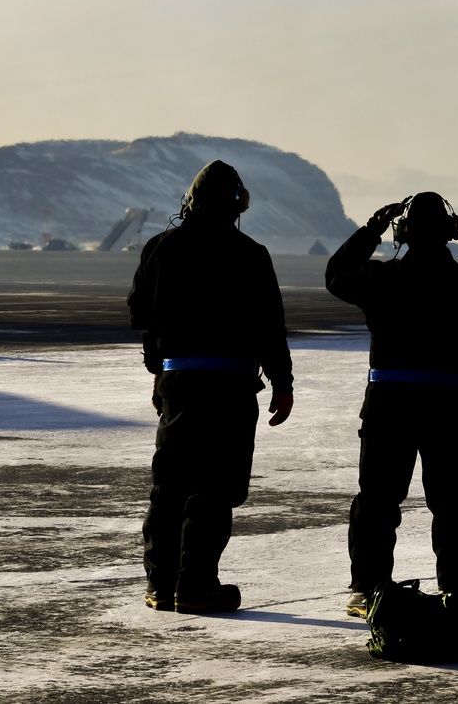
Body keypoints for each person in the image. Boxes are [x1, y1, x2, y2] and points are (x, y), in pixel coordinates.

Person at [326, 192, 458, 618]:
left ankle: (368, 588)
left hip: (389, 407)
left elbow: (335, 275)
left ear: (402, 233)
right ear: (451, 232)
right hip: (450, 409)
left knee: (376, 502)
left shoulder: (380, 279)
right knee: (452, 503)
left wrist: (371, 228)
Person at [127, 160, 294, 614]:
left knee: (170, 487)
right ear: (237, 202)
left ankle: (161, 585)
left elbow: (142, 314)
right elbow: (269, 328)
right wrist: (283, 383)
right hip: (230, 386)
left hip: (179, 381)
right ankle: (196, 586)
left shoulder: (160, 248)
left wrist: (160, 370)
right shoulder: (251, 253)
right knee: (215, 487)